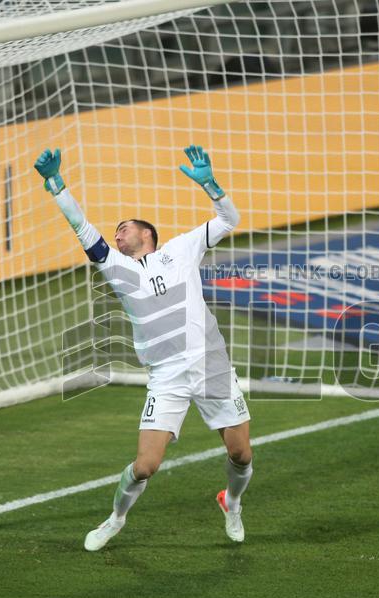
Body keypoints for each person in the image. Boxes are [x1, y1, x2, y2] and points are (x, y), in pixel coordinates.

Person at [34, 145, 253, 551]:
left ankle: (232, 502)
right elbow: (82, 228)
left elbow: (230, 220)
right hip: (166, 375)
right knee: (145, 466)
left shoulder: (182, 249)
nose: (117, 233)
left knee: (240, 455)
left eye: (125, 227)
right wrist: (56, 185)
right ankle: (115, 519)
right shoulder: (117, 269)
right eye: (116, 231)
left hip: (211, 365)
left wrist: (211, 185)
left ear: (147, 233)